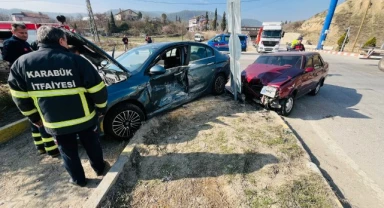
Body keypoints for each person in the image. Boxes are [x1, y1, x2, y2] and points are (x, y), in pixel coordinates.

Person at [8, 26, 109, 187]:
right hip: (85, 118)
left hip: (54, 122)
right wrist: (102, 108)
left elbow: (19, 97)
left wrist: (34, 117)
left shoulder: (22, 63)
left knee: (67, 152)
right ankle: (100, 168)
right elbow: (98, 89)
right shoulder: (77, 60)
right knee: (92, 145)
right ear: (61, 40)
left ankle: (79, 180)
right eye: (66, 41)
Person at [2, 23, 59, 157]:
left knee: (34, 119)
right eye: (22, 33)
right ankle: (51, 149)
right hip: (24, 82)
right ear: (13, 31)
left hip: (27, 81)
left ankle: (39, 146)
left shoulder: (24, 44)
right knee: (39, 117)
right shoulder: (11, 43)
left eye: (26, 33)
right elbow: (8, 59)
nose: (25, 35)